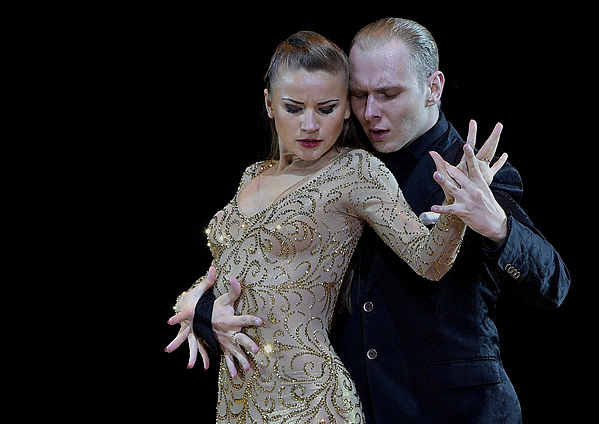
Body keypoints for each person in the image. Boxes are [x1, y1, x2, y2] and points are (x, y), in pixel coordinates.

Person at [165, 29, 506, 424]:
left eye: (326, 108)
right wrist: (200, 306)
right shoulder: (252, 175)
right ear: (269, 103)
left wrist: (456, 207)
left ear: (346, 109)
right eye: (294, 108)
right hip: (238, 401)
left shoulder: (356, 170)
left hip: (314, 404)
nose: (310, 124)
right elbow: (232, 273)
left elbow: (429, 261)